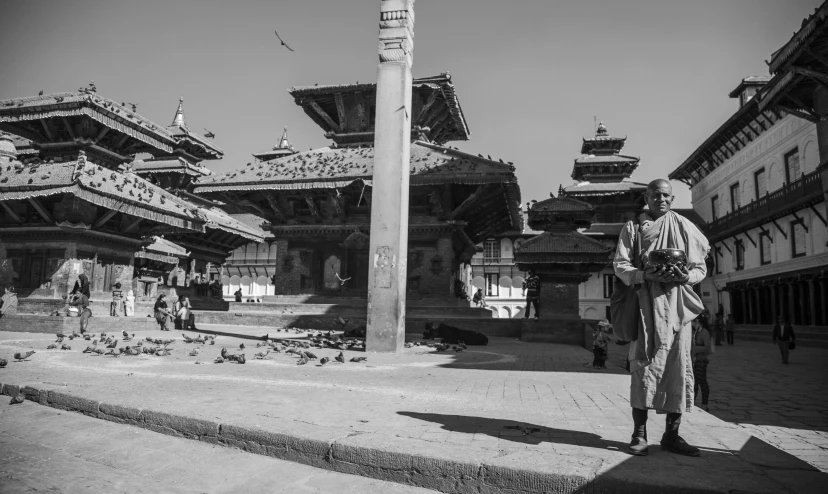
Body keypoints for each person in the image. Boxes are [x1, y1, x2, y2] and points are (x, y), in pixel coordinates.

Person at [613, 179, 709, 458]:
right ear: (647, 197)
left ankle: (672, 435)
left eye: (666, 195)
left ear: (672, 197)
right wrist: (645, 275)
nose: (661, 200)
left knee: (679, 368)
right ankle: (639, 434)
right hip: (647, 304)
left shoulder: (685, 227)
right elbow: (621, 266)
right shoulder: (633, 229)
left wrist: (686, 277)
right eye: (656, 195)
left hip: (679, 306)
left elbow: (699, 268)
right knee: (644, 367)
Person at [692, 319, 712, 411]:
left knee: (702, 382)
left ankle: (705, 404)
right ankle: (692, 402)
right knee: (694, 383)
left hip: (701, 361)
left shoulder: (704, 332)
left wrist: (695, 348)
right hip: (694, 361)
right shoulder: (695, 331)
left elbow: (707, 348)